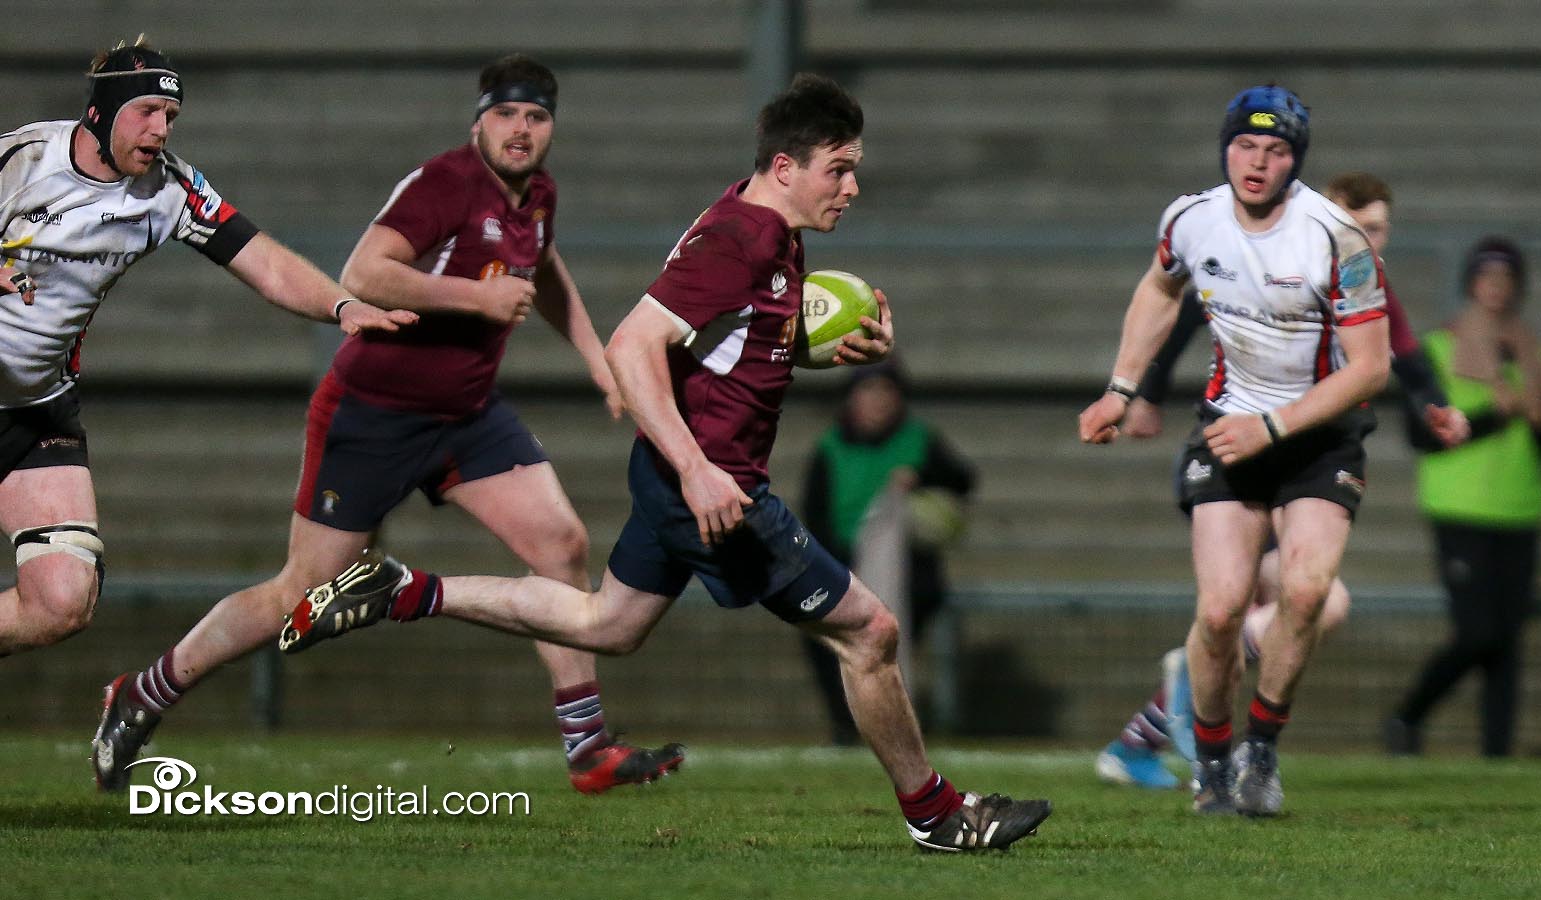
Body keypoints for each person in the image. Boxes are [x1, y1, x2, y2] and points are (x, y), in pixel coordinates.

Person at [279, 73, 1051, 852]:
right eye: (839, 170)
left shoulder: (770, 229)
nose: (852, 187)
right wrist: (697, 470)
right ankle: (938, 816)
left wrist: (828, 350)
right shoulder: (741, 238)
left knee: (606, 624)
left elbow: (727, 342)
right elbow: (631, 345)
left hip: (681, 475)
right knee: (870, 632)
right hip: (712, 491)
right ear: (787, 167)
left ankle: (405, 589)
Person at [91, 53, 684, 795]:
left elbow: (543, 264)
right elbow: (366, 272)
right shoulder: (445, 183)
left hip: (467, 415)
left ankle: (587, 745)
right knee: (301, 593)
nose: (521, 129)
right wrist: (475, 298)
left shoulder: (537, 195)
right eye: (506, 114)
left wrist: (596, 357)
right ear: (479, 121)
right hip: (374, 415)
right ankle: (143, 692)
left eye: (535, 117)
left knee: (561, 544)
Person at [0, 37, 411, 659]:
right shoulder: (24, 160)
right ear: (100, 113)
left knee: (62, 599)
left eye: (170, 116)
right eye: (146, 112)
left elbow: (264, 261)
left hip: (36, 411)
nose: (161, 129)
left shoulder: (169, 190)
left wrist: (343, 306)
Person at [1094, 171, 1470, 790]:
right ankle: (1184, 716)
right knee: (1287, 607)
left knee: (1276, 610)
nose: (1370, 240)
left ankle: (1145, 735)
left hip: (1307, 461)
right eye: (1361, 226)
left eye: (1380, 229)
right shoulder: (1272, 265)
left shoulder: (1365, 281)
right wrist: (1143, 394)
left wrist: (1436, 406)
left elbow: (1403, 354)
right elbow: (1182, 310)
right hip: (1243, 454)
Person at [1079, 85, 1394, 816]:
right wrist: (1121, 389)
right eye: (1244, 145)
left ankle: (1262, 754)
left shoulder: (1336, 238)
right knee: (1220, 613)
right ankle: (1213, 766)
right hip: (1229, 430)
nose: (1257, 162)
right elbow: (1160, 290)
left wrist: (1274, 427)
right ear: (1225, 149)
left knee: (1310, 593)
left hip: (1317, 438)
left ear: (1296, 161)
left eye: (1275, 150)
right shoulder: (1192, 219)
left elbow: (1372, 368)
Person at [1385, 237, 1541, 757]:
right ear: (1470, 284)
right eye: (1487, 277)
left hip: (1520, 507)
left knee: (1506, 641)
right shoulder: (1438, 350)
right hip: (1459, 506)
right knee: (1477, 633)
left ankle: (1497, 756)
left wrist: (1539, 411)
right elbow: (1421, 436)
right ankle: (1408, 716)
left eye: (1506, 279)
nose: (1496, 288)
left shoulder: (1538, 356)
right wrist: (1495, 414)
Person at [799, 362, 976, 746]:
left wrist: (921, 476)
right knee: (822, 635)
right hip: (844, 566)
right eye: (867, 391)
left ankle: (889, 716)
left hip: (907, 571)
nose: (877, 401)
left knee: (892, 628)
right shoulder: (830, 448)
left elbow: (962, 479)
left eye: (885, 391)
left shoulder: (918, 440)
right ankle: (848, 724)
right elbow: (815, 517)